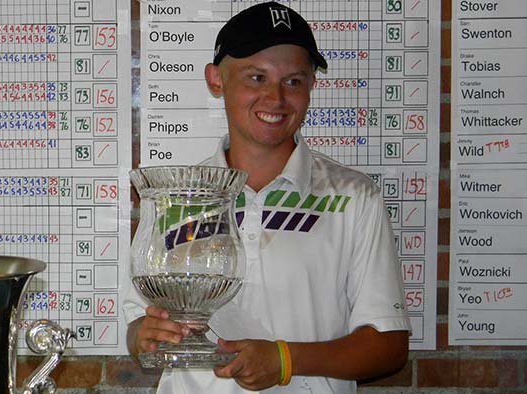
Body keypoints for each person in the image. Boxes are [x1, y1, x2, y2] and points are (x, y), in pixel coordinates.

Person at [124, 2, 411, 393]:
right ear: (216, 80)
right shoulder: (175, 195)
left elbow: (389, 346)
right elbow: (137, 328)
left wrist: (285, 360)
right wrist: (144, 334)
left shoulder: (353, 197)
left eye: (293, 81)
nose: (275, 99)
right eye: (256, 77)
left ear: (312, 85)